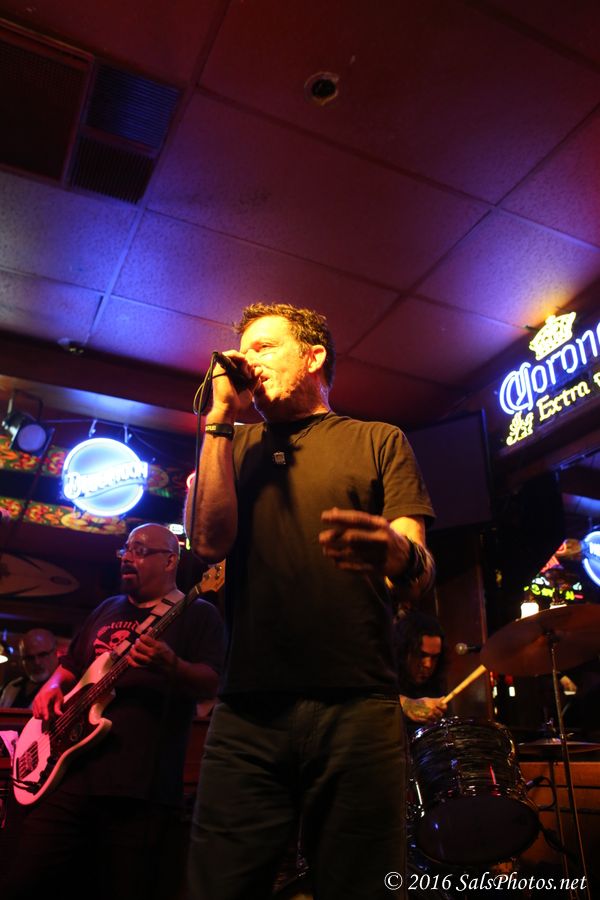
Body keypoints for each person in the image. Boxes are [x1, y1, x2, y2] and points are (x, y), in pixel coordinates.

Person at [185, 302, 435, 900]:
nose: (248, 360)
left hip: (358, 703)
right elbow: (209, 542)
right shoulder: (231, 444)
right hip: (247, 709)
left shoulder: (378, 439)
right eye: (244, 349)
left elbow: (420, 572)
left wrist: (396, 554)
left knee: (362, 886)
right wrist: (219, 419)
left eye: (265, 346)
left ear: (314, 356)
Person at [5, 523, 225, 900]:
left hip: (139, 790)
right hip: (69, 776)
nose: (127, 557)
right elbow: (70, 667)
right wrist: (51, 687)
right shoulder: (107, 608)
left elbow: (212, 683)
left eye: (140, 550)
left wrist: (171, 665)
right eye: (125, 549)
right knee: (23, 881)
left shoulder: (198, 613)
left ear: (170, 560)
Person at [394, 609, 447, 731]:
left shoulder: (436, 685)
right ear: (404, 651)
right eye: (421, 655)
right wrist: (409, 705)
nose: (428, 664)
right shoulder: (387, 678)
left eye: (434, 657)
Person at [0, 628, 59, 708]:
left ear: (55, 653)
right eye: (29, 658)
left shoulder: (64, 687)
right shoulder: (11, 687)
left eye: (42, 655)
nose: (37, 662)